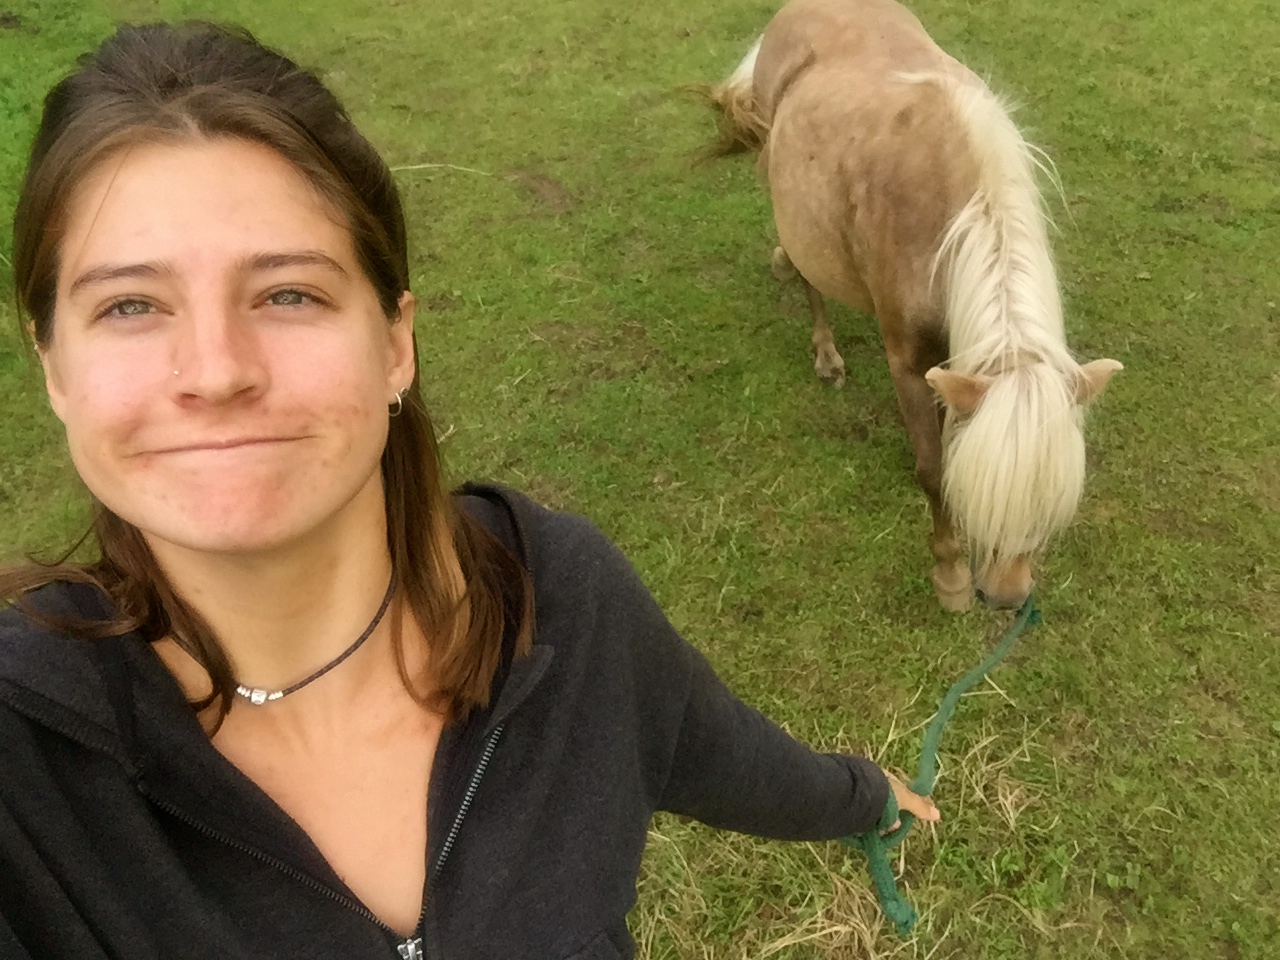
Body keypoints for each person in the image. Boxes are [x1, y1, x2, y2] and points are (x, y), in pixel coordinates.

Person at [0, 21, 940, 960]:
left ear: (394, 344)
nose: (215, 371)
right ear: (54, 368)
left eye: (288, 294)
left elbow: (711, 747)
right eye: (129, 306)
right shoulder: (23, 763)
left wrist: (861, 798)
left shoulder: (560, 604)